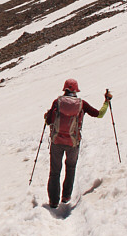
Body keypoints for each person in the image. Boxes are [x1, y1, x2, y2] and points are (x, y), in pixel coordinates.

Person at [43, 79, 111, 208]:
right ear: (76, 90)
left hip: (57, 141)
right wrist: (106, 102)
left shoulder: (57, 102)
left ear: (64, 89)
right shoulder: (81, 104)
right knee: (71, 168)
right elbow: (99, 114)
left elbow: (49, 121)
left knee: (55, 171)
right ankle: (66, 197)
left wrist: (46, 116)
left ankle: (53, 201)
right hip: (73, 142)